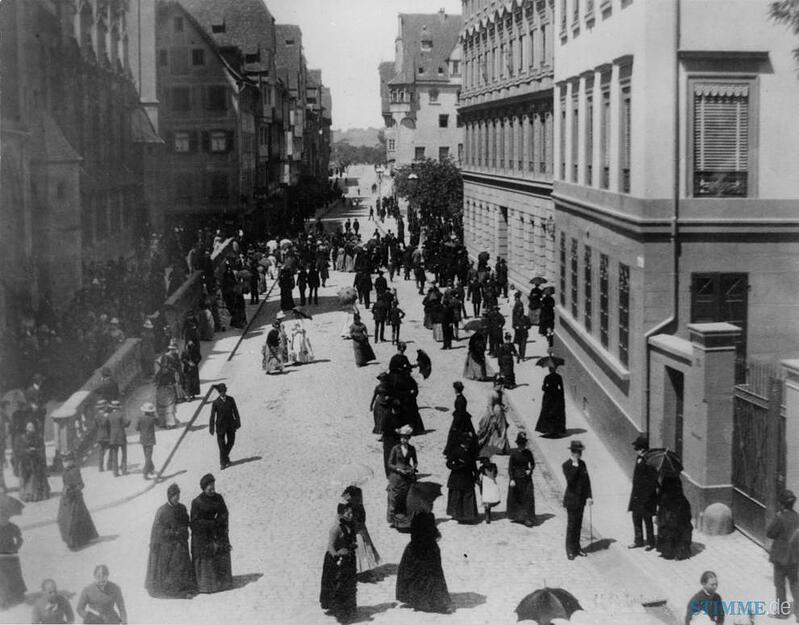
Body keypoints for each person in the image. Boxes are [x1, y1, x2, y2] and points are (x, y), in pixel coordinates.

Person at [395, 496, 451, 613]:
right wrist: (434, 535)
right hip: (424, 549)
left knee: (421, 575)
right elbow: (421, 534)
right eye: (429, 504)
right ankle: (430, 601)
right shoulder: (423, 517)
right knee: (429, 575)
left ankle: (421, 600)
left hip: (421, 549)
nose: (431, 506)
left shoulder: (423, 516)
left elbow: (423, 533)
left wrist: (435, 534)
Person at [145, 483, 197, 599]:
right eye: (174, 496)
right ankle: (175, 590)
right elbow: (158, 529)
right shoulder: (162, 511)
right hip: (167, 545)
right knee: (174, 563)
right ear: (169, 496)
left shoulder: (182, 508)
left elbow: (186, 522)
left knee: (182, 560)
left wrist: (184, 530)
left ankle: (184, 588)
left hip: (180, 542)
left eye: (178, 495)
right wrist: (171, 533)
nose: (177, 498)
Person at [191, 474, 233, 594]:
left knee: (221, 547)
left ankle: (224, 581)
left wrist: (220, 522)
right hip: (203, 535)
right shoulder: (197, 502)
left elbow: (224, 513)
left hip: (217, 530)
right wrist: (210, 523)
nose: (213, 491)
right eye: (210, 489)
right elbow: (194, 523)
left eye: (214, 488)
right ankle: (207, 585)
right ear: (204, 489)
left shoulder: (218, 498)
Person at [319, 502, 357, 622]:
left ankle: (348, 609)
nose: (351, 515)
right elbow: (330, 547)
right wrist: (337, 558)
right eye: (348, 513)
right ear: (341, 514)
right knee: (337, 587)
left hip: (348, 560)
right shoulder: (335, 528)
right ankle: (340, 612)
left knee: (348, 586)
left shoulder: (350, 525)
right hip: (336, 562)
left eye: (351, 513)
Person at [767, 489, 799, 618]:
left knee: (779, 585)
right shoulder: (797, 516)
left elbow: (769, 533)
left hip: (780, 558)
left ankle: (781, 612)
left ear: (781, 504)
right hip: (794, 558)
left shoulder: (780, 517)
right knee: (795, 584)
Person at [57, 453, 99, 550]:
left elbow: (81, 485)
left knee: (74, 519)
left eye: (66, 461)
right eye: (63, 461)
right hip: (67, 498)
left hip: (75, 499)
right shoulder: (65, 471)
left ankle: (75, 541)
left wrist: (72, 490)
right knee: (64, 518)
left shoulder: (75, 471)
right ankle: (73, 539)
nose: (64, 463)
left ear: (71, 461)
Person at [340, 486, 381, 576]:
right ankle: (363, 571)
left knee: (360, 551)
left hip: (355, 531)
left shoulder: (349, 506)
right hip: (359, 531)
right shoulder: (357, 507)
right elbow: (360, 520)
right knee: (363, 550)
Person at [562, 440, 593, 560]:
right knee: (571, 525)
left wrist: (589, 496)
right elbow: (571, 481)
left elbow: (587, 480)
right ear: (573, 452)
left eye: (580, 452)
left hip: (581, 500)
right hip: (571, 500)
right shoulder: (566, 465)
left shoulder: (583, 464)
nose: (580, 454)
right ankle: (569, 550)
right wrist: (575, 466)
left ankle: (577, 547)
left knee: (578, 525)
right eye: (578, 452)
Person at [628, 435, 658, 550]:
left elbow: (652, 481)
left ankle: (650, 542)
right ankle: (638, 540)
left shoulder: (650, 460)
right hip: (636, 495)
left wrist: (646, 497)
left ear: (642, 449)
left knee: (647, 519)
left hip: (646, 497)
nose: (635, 450)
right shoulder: (639, 458)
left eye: (637, 448)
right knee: (636, 517)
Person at [386, 425, 417, 529]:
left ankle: (403, 520)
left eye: (405, 438)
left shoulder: (412, 449)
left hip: (407, 476)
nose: (403, 439)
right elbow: (389, 463)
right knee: (394, 498)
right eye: (402, 437)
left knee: (405, 498)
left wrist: (413, 468)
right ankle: (392, 519)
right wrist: (397, 469)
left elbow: (415, 462)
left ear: (409, 438)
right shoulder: (395, 448)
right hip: (396, 477)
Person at [445, 431, 480, 524]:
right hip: (457, 477)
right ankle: (458, 516)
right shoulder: (456, 451)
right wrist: (457, 467)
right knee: (457, 496)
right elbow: (448, 463)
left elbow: (474, 466)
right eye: (466, 442)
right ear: (462, 442)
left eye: (468, 442)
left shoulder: (471, 452)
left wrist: (477, 477)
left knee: (468, 495)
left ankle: (469, 516)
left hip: (468, 477)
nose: (467, 444)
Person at [656, 474, 693, 560]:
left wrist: (659, 487)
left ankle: (668, 551)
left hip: (669, 508)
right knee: (677, 530)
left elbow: (662, 495)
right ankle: (679, 552)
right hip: (678, 506)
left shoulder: (665, 479)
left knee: (668, 529)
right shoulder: (677, 479)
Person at [507, 432, 536, 527]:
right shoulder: (514, 454)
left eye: (523, 444)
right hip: (516, 478)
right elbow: (510, 467)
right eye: (520, 444)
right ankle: (518, 517)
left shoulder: (528, 453)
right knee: (517, 498)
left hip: (526, 479)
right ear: (518, 444)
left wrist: (530, 470)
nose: (522, 445)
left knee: (528, 498)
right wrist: (512, 479)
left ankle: (528, 518)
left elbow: (532, 464)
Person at [209, 384, 240, 470]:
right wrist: (211, 428)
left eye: (224, 391)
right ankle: (223, 462)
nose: (223, 393)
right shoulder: (215, 403)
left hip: (230, 425)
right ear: (219, 393)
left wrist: (238, 422)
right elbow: (212, 416)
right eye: (221, 392)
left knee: (231, 442)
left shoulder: (231, 399)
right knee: (221, 445)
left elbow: (235, 411)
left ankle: (224, 458)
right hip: (220, 427)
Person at [476, 384, 511, 459]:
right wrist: (492, 416)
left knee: (501, 431)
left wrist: (504, 406)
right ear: (495, 384)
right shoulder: (491, 394)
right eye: (499, 384)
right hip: (492, 414)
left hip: (500, 415)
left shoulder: (500, 393)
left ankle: (500, 447)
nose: (500, 386)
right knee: (487, 430)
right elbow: (490, 406)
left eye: (501, 385)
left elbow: (501, 402)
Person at [19, 421, 51, 502]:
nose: (31, 429)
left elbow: (42, 448)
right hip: (27, 461)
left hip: (37, 459)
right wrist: (28, 451)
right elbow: (21, 449)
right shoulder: (23, 438)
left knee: (38, 475)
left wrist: (36, 450)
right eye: (29, 427)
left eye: (32, 427)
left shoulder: (39, 437)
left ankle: (40, 495)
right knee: (28, 476)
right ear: (26, 428)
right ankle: (28, 495)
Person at [0, 517, 26, 609]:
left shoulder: (12, 526)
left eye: (3, 515)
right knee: (3, 579)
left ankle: (19, 595)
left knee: (15, 575)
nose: (2, 518)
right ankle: (5, 599)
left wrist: (16, 548)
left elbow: (20, 539)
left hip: (11, 556)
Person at [535, 366, 566, 437]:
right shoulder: (559, 377)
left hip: (549, 397)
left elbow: (543, 388)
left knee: (547, 412)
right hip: (557, 396)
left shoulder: (547, 377)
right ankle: (556, 430)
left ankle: (548, 429)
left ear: (549, 369)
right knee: (556, 412)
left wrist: (547, 388)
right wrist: (562, 397)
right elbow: (561, 388)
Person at [154, 354, 179, 429]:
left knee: (168, 408)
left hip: (167, 391)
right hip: (164, 391)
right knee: (164, 407)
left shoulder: (168, 372)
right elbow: (156, 381)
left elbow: (175, 381)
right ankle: (164, 423)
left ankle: (168, 423)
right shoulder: (160, 372)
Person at [107, 400, 130, 477]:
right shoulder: (121, 414)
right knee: (124, 453)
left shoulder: (109, 416)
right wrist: (129, 421)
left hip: (113, 437)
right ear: (118, 407)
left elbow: (107, 427)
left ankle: (115, 472)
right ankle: (124, 470)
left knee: (114, 454)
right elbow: (126, 424)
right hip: (121, 436)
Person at [136, 403, 157, 480]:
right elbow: (159, 423)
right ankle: (145, 472)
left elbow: (136, 428)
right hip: (150, 440)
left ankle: (151, 468)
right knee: (148, 457)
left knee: (147, 456)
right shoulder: (152, 419)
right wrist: (154, 415)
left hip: (143, 439)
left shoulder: (140, 418)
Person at [94, 400, 111, 472]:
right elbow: (108, 425)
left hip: (99, 436)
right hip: (107, 435)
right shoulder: (107, 415)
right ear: (104, 407)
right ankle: (109, 466)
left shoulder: (96, 416)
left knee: (101, 452)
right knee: (111, 450)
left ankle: (100, 467)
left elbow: (96, 426)